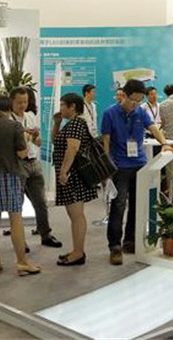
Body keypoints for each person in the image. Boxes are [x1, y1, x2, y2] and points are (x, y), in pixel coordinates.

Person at [102, 79, 171, 265]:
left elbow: (153, 127)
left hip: (140, 164)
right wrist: (107, 168)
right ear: (123, 95)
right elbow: (106, 142)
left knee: (137, 205)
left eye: (140, 100)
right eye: (133, 100)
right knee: (118, 205)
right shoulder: (109, 113)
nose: (136, 104)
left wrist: (164, 143)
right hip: (119, 167)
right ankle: (114, 246)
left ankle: (130, 241)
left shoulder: (140, 112)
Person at [0, 95, 41, 276]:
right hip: (9, 174)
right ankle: (22, 262)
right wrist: (27, 138)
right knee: (15, 218)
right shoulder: (14, 126)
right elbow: (22, 154)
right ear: (9, 109)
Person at [9, 86, 62, 248]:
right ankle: (20, 240)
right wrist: (24, 134)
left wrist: (35, 136)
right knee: (17, 204)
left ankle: (45, 234)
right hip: (17, 163)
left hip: (33, 161)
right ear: (11, 101)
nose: (22, 105)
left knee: (40, 201)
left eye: (25, 102)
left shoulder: (30, 116)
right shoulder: (9, 120)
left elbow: (38, 143)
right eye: (19, 102)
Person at [53, 92, 98, 266]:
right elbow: (56, 141)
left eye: (63, 105)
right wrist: (57, 123)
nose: (61, 108)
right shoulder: (72, 124)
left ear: (72, 107)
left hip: (73, 176)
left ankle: (78, 252)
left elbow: (72, 149)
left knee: (76, 215)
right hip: (71, 175)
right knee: (75, 215)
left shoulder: (76, 124)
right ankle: (77, 250)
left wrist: (63, 172)